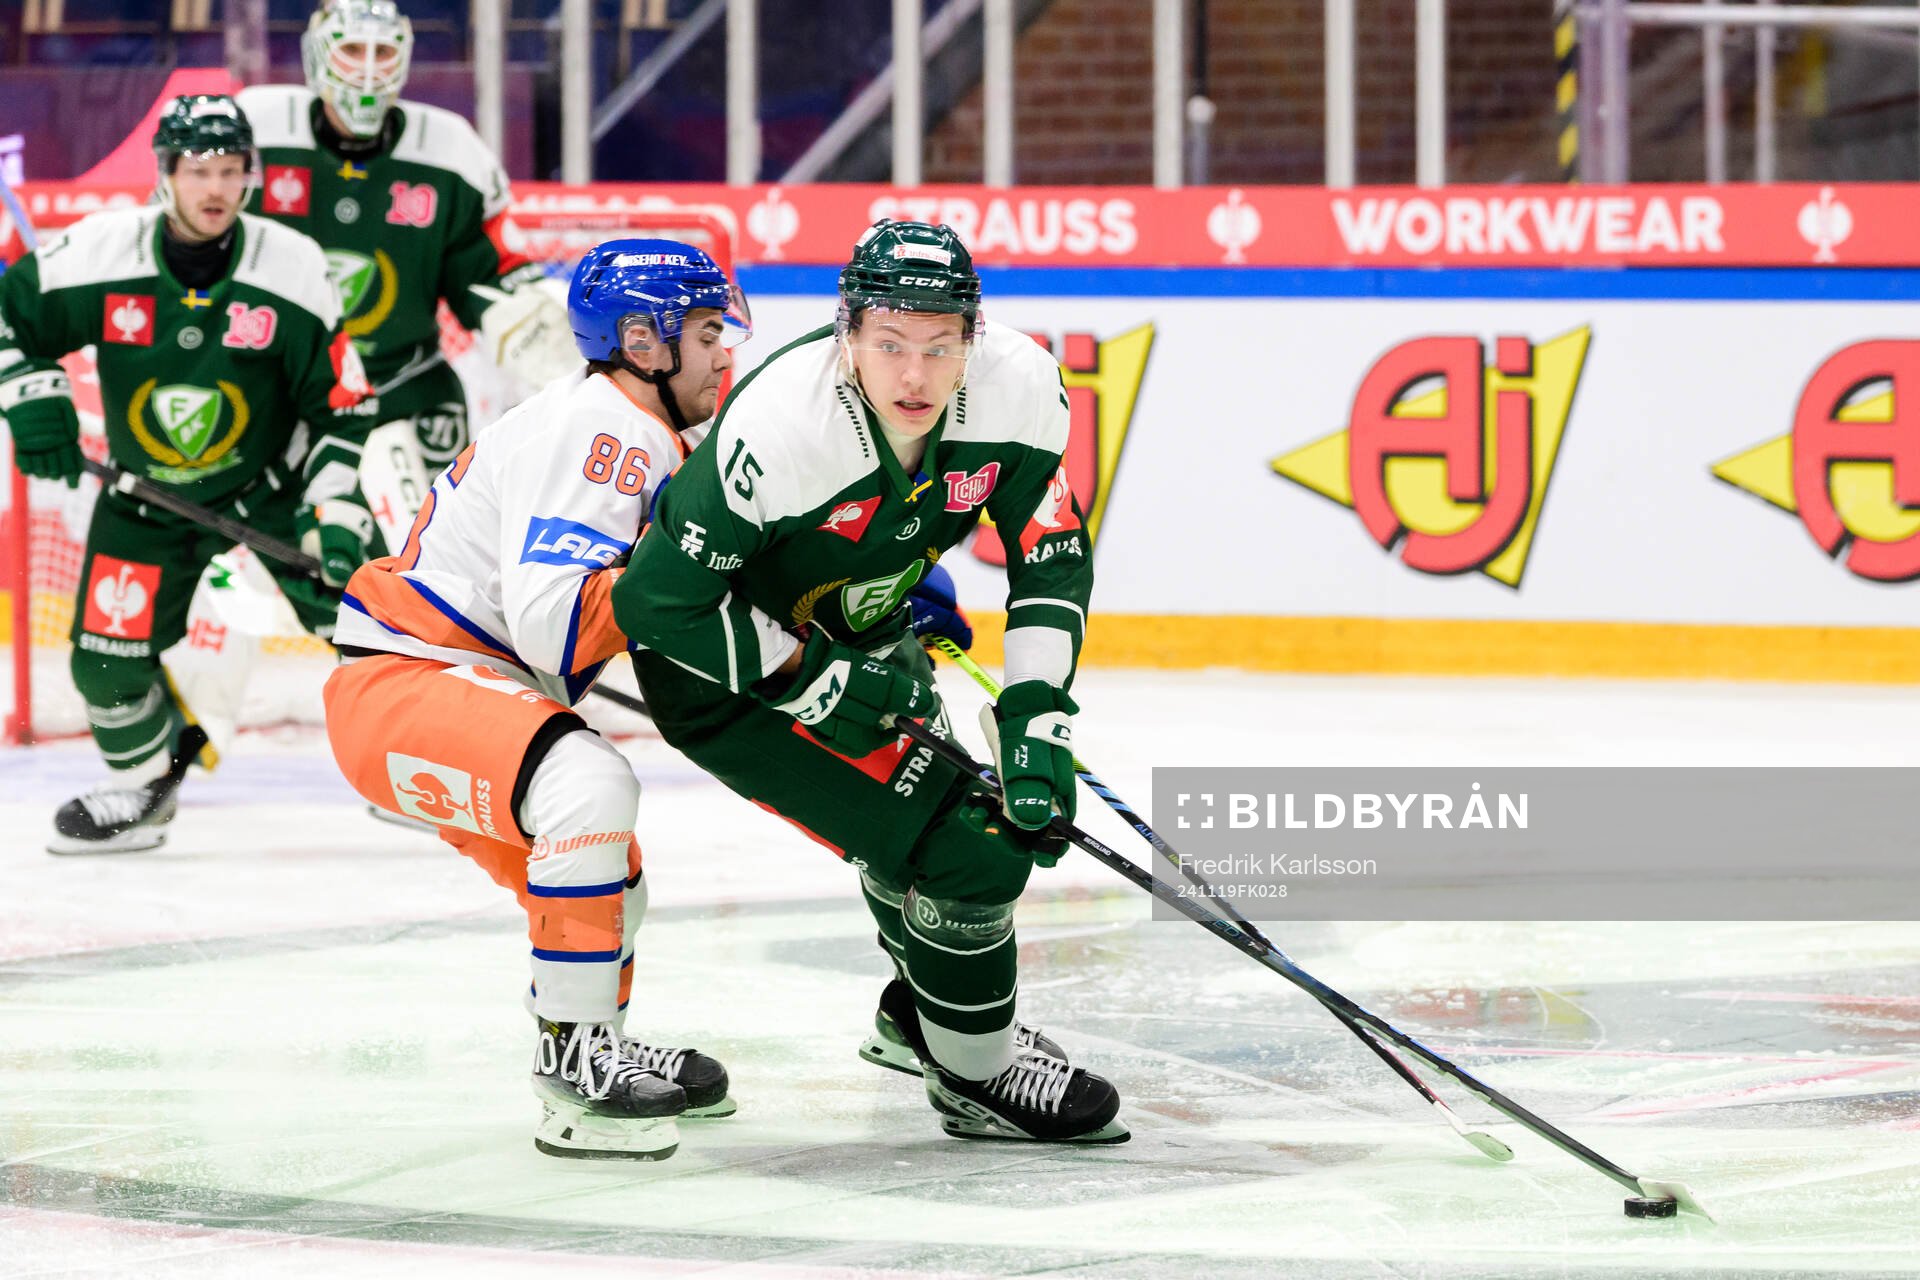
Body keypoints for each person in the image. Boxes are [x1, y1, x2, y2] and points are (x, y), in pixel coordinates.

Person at [614, 219, 1126, 1145]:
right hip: (726, 671)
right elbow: (658, 603)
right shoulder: (784, 426)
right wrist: (807, 681)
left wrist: (1037, 711)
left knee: (931, 828)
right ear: (846, 333)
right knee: (974, 849)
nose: (916, 375)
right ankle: (975, 1073)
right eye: (890, 343)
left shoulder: (1020, 385)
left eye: (941, 345)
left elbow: (1049, 558)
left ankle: (922, 1017)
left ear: (972, 336)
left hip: (864, 632)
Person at [321, 239, 750, 1160]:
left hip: (438, 685)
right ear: (643, 343)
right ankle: (574, 1059)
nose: (724, 352)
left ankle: (595, 1042)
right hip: (407, 680)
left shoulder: (635, 428)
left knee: (614, 879)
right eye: (708, 331)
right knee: (587, 786)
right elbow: (556, 627)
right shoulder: (607, 433)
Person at [0, 93, 370, 854]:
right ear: (165, 172)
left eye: (231, 171)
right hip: (148, 499)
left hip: (274, 487)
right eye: (198, 171)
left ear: (250, 175)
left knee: (376, 624)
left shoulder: (292, 265)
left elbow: (341, 406)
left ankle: (431, 768)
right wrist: (34, 398)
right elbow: (11, 319)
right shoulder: (100, 252)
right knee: (104, 664)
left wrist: (334, 512)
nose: (216, 189)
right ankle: (148, 788)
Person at [238, 0, 576, 560]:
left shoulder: (452, 152)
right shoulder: (257, 131)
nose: (370, 70)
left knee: (446, 553)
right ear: (318, 55)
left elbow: (487, 276)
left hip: (406, 384)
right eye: (353, 50)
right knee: (311, 560)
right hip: (288, 391)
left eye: (384, 52)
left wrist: (539, 336)